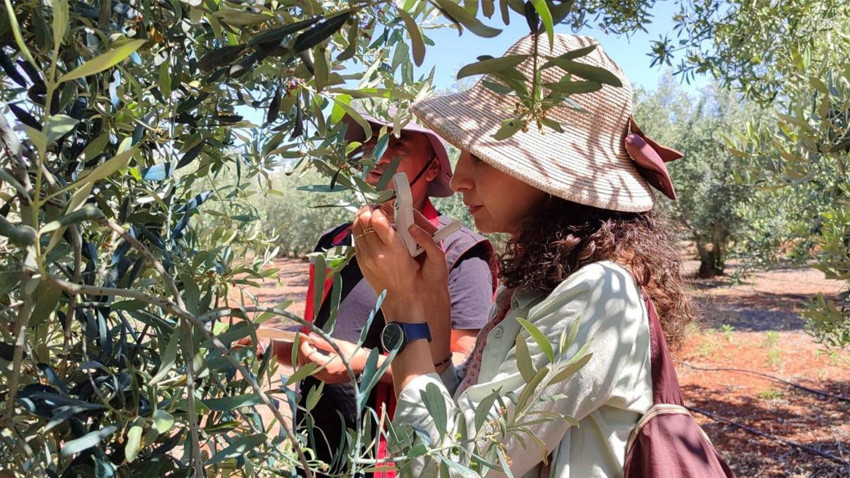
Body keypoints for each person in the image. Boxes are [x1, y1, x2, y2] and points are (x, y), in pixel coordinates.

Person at [335, 34, 697, 477]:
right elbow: (463, 418)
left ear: (552, 172)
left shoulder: (598, 293)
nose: (459, 179)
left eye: (481, 157)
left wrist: (402, 306)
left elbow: (449, 467)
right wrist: (433, 305)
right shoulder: (531, 288)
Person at [273, 112, 497, 477]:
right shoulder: (334, 243)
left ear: (432, 168)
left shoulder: (457, 253)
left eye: (397, 143)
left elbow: (462, 367)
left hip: (391, 457)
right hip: (315, 450)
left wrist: (360, 363)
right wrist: (265, 344)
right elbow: (315, 336)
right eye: (371, 142)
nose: (377, 153)